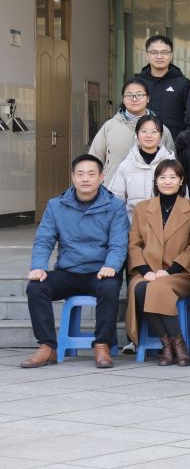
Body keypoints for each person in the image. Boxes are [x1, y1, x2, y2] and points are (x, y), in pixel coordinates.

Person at [22, 155, 129, 369]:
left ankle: (102, 345)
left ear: (101, 177)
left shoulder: (115, 206)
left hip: (100, 272)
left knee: (110, 286)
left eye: (91, 174)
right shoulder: (56, 205)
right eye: (80, 174)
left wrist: (111, 266)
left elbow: (119, 243)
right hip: (68, 272)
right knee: (36, 287)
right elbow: (44, 240)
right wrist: (38, 267)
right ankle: (47, 347)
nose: (85, 179)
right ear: (72, 177)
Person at [125, 159, 190, 367]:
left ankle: (176, 344)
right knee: (140, 288)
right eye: (162, 177)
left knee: (158, 287)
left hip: (180, 273)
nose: (167, 181)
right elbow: (134, 244)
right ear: (156, 180)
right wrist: (145, 270)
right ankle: (169, 344)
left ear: (181, 181)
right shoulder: (142, 208)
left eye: (173, 177)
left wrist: (170, 271)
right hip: (147, 270)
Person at [89, 79, 174, 178]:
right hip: (114, 186)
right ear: (123, 99)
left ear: (148, 98)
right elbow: (93, 160)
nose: (134, 99)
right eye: (129, 95)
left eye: (140, 95)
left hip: (151, 187)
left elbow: (172, 166)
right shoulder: (109, 126)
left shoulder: (162, 129)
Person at [108, 114, 175, 215]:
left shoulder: (172, 165)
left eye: (154, 132)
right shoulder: (126, 165)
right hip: (133, 222)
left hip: (165, 222)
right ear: (137, 134)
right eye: (144, 131)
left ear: (161, 135)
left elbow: (182, 199)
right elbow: (115, 200)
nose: (149, 136)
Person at [135, 35, 190, 139]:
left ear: (171, 55)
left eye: (164, 52)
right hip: (142, 143)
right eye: (154, 52)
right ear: (147, 55)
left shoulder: (183, 84)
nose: (159, 56)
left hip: (175, 144)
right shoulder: (137, 83)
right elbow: (127, 114)